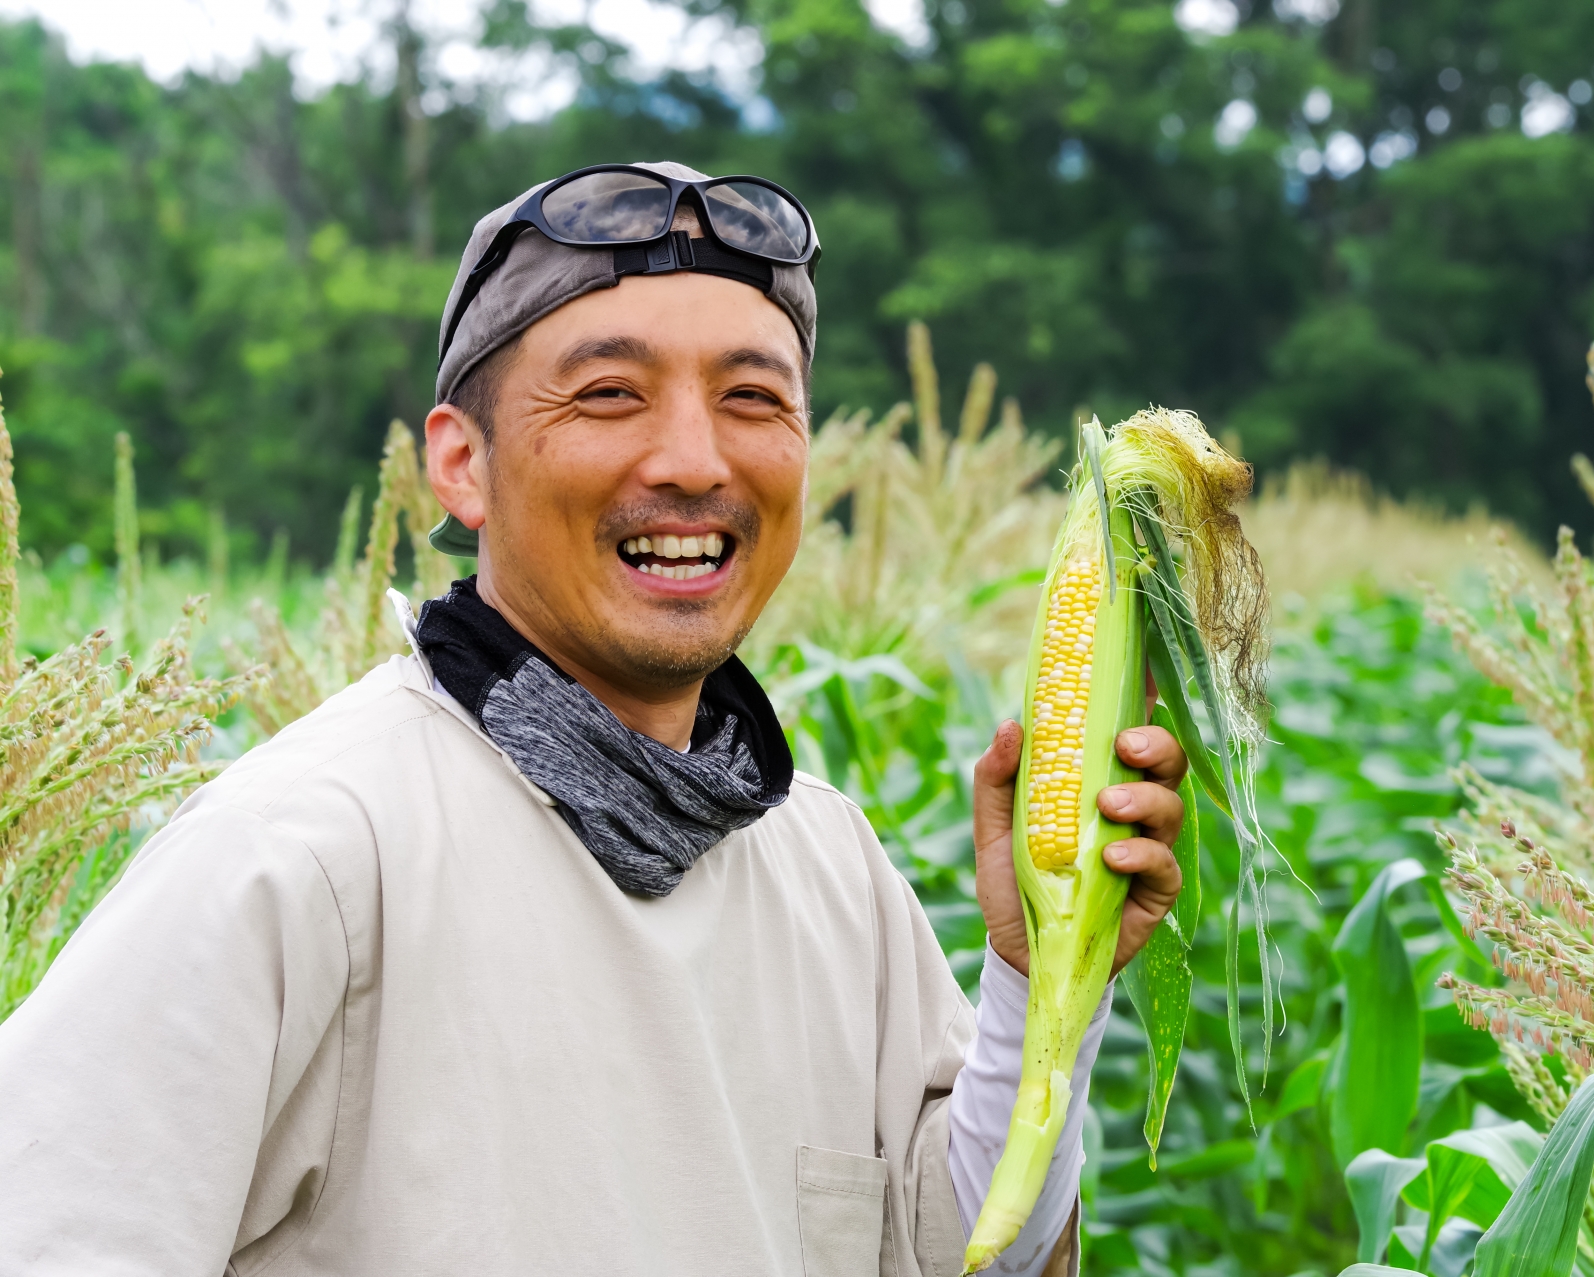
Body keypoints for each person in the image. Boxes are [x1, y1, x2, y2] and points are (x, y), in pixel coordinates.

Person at [0, 162, 1185, 1276]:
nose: (690, 459)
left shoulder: (826, 855)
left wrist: (1043, 974)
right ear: (460, 467)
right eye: (611, 394)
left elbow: (957, 1245)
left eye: (753, 398)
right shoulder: (301, 854)